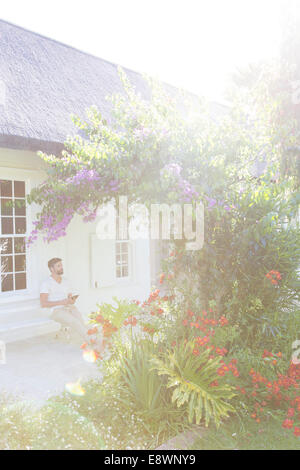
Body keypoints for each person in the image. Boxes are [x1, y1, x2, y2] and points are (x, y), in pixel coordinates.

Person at [40, 257, 102, 349]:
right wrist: (62, 302)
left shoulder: (65, 281)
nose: (61, 267)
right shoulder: (46, 283)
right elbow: (43, 303)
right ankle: (91, 340)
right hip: (55, 311)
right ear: (51, 269)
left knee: (81, 319)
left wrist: (71, 300)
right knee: (74, 321)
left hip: (68, 307)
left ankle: (92, 337)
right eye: (58, 266)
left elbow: (68, 296)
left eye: (61, 265)